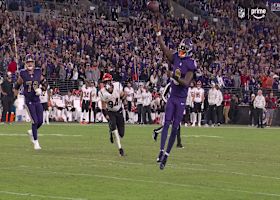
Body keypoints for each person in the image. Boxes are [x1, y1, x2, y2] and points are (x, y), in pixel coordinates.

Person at [155, 24, 197, 170]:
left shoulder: (190, 64)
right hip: (172, 96)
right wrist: (158, 34)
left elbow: (186, 83)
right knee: (166, 123)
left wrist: (174, 76)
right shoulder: (176, 57)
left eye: (184, 49)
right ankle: (161, 151)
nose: (181, 50)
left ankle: (166, 155)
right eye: (181, 47)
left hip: (181, 99)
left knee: (174, 128)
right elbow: (164, 49)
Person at [14, 54, 47, 150]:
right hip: (28, 100)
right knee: (35, 121)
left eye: (31, 62)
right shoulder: (23, 73)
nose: (29, 64)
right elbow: (17, 86)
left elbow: (45, 83)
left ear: (33, 62)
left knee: (40, 121)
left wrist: (41, 89)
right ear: (25, 63)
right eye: (28, 62)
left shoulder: (38, 72)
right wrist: (16, 98)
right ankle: (36, 142)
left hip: (37, 100)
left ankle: (32, 132)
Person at [99, 73, 126, 157]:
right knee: (114, 127)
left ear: (111, 81)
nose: (106, 83)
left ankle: (111, 130)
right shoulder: (102, 92)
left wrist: (123, 97)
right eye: (104, 82)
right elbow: (103, 107)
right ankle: (120, 149)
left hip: (119, 110)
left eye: (107, 81)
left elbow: (124, 95)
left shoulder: (117, 86)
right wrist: (106, 116)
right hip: (110, 112)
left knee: (121, 134)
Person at [153, 82, 184, 148]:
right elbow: (163, 95)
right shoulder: (169, 85)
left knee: (177, 124)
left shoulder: (180, 85)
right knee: (170, 123)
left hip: (177, 106)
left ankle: (179, 143)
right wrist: (168, 102)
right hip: (170, 106)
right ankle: (178, 143)